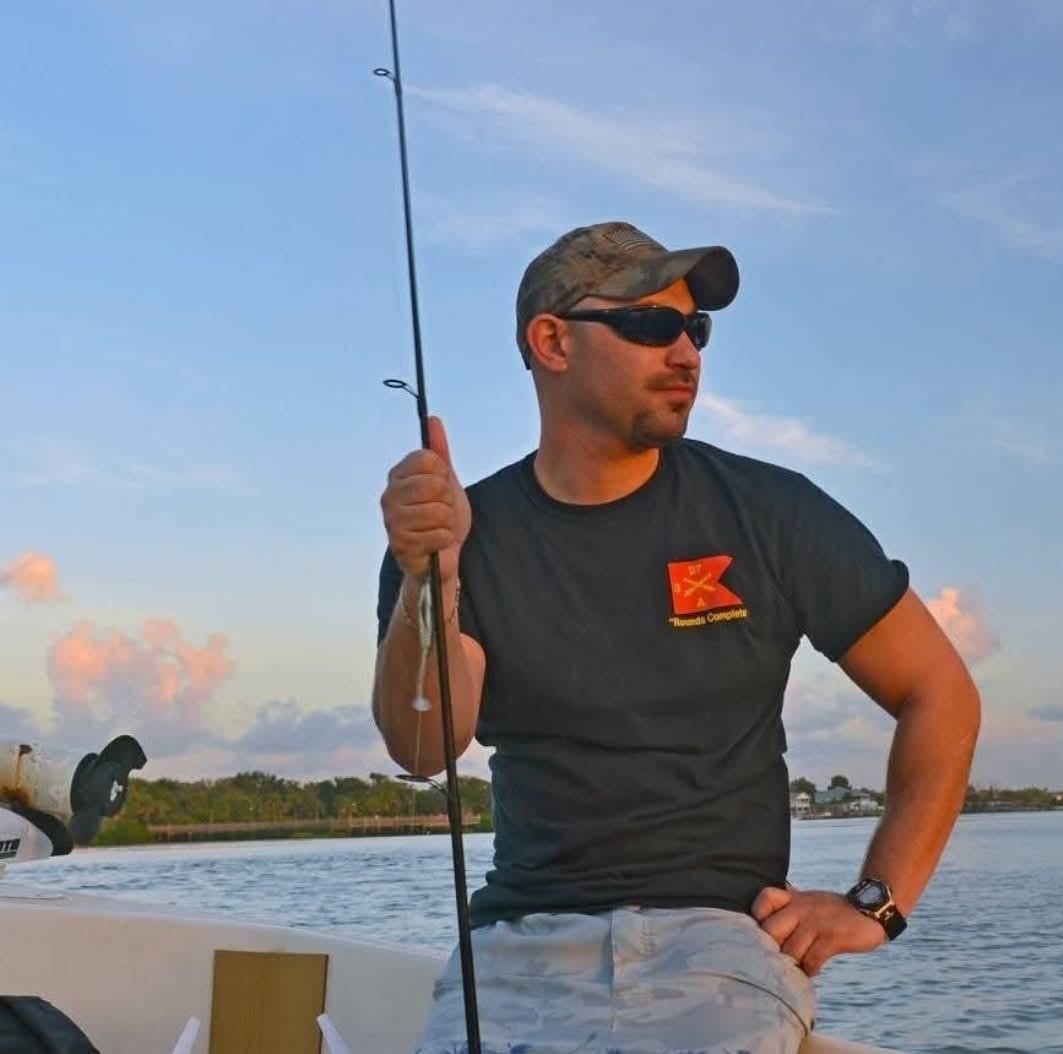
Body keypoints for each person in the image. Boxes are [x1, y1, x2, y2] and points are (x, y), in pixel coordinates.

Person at [373, 221, 981, 1054]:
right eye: (651, 326)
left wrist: (875, 901)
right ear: (551, 342)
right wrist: (428, 582)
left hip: (721, 944)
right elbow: (422, 745)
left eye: (694, 329)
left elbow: (937, 691)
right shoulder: (457, 535)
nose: (686, 353)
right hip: (516, 949)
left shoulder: (769, 512)